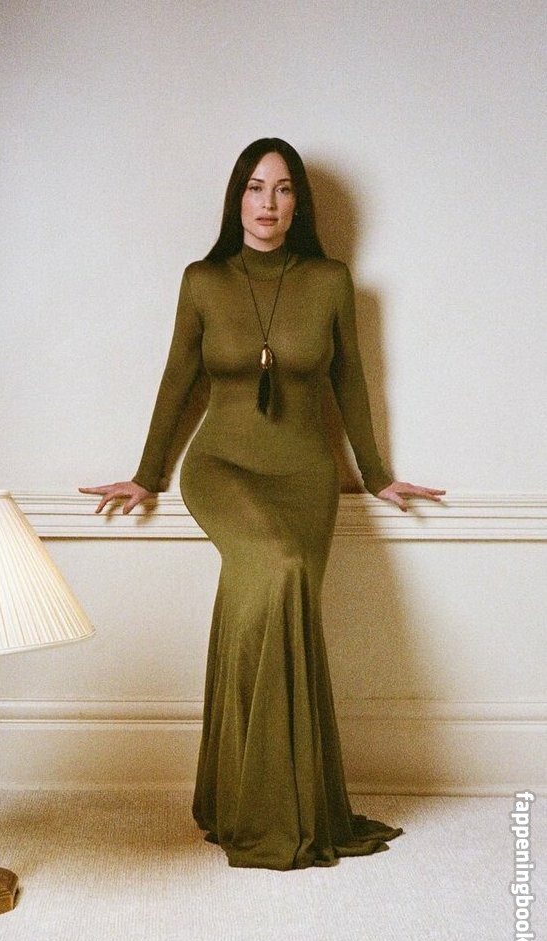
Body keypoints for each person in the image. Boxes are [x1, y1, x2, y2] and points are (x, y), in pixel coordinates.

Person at [81, 138, 444, 870]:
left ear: (297, 203)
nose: (268, 203)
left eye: (282, 189)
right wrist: (147, 474)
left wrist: (376, 475)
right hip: (220, 468)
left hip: (306, 478)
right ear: (236, 198)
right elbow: (177, 380)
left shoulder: (330, 281)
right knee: (274, 571)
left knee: (273, 605)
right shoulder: (203, 280)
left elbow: (351, 383)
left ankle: (260, 799)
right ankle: (258, 803)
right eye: (254, 187)